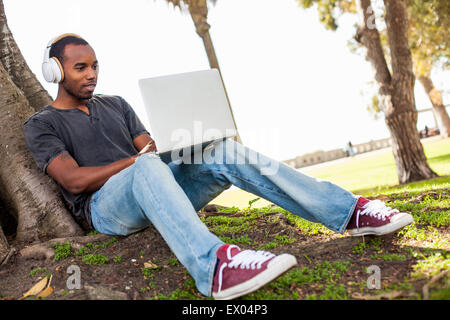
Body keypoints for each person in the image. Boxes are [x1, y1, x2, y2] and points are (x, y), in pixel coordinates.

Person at [24, 34, 414, 300]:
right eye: (80, 68)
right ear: (56, 71)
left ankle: (348, 211)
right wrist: (136, 162)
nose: (91, 74)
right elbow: (73, 181)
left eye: (95, 65)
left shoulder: (117, 104)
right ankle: (215, 268)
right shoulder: (42, 124)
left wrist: (180, 145)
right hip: (105, 210)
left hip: (156, 188)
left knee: (220, 150)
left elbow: (151, 150)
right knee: (144, 170)